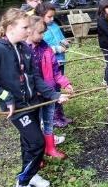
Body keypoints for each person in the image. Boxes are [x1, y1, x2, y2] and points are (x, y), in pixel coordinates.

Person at [0, 8, 69, 187]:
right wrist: (7, 98)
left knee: (28, 143)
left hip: (32, 103)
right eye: (25, 27)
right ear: (10, 27)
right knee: (37, 143)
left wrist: (54, 95)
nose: (28, 31)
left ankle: (31, 175)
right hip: (17, 108)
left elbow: (35, 78)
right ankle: (23, 181)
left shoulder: (24, 48)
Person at [26, 15, 74, 159]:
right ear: (29, 31)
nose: (42, 36)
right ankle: (37, 154)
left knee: (48, 121)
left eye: (43, 33)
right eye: (40, 33)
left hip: (49, 92)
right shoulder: (23, 50)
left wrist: (65, 82)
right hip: (33, 95)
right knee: (34, 125)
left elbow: (55, 70)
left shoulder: (45, 47)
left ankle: (51, 148)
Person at [35, 2, 73, 127]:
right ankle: (54, 118)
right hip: (49, 65)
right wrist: (56, 49)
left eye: (53, 16)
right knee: (52, 91)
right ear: (41, 16)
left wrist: (65, 43)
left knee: (57, 88)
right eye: (49, 17)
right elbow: (43, 48)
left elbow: (61, 38)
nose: (52, 19)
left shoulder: (54, 25)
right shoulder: (39, 30)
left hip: (59, 62)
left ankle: (60, 116)